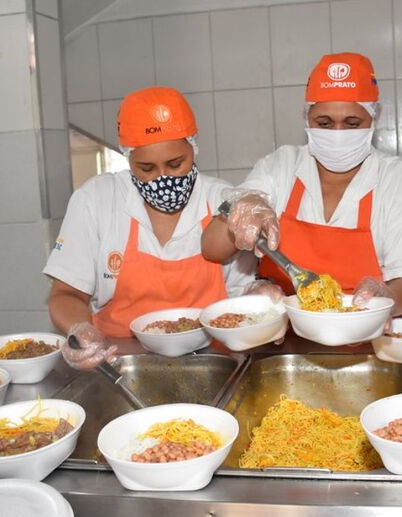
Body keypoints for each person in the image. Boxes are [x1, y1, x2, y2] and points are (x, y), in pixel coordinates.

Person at [201, 52, 402, 316]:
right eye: (324, 123)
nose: (337, 134)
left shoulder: (398, 179)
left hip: (370, 329)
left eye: (352, 124)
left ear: (374, 119)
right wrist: (243, 210)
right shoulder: (281, 166)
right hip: (286, 331)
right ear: (307, 118)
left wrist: (384, 300)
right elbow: (212, 249)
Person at [44, 87, 255, 369]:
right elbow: (65, 294)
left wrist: (260, 294)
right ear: (128, 158)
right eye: (146, 168)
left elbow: (242, 296)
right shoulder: (97, 200)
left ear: (193, 148)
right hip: (117, 361)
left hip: (212, 362)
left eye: (175, 164)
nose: (162, 178)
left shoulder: (221, 201)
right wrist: (80, 331)